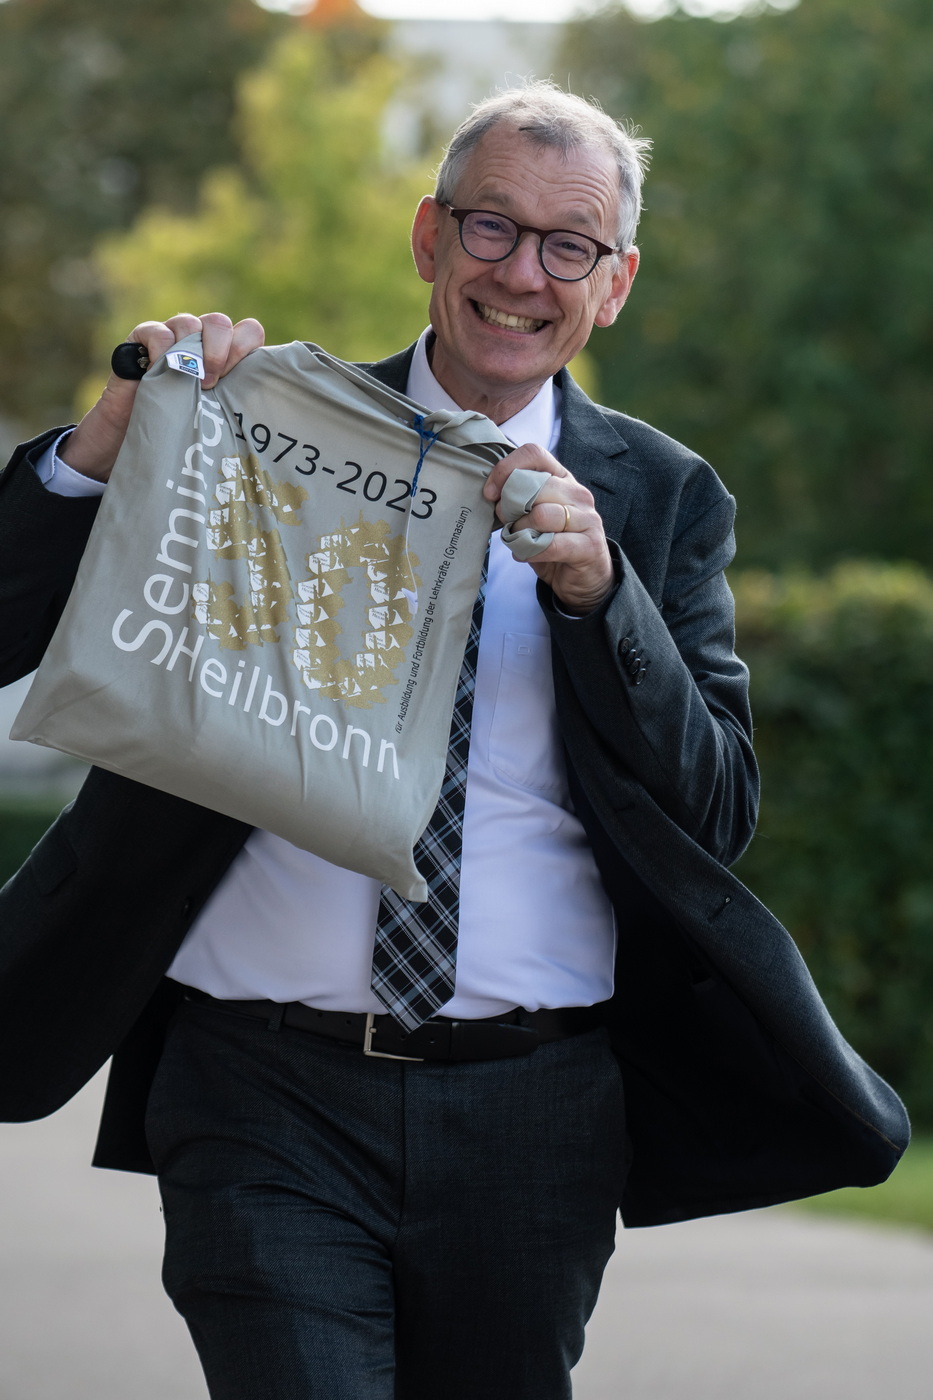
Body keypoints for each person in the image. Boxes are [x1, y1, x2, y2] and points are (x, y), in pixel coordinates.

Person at [0, 84, 908, 1400]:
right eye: (492, 226)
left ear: (615, 284)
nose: (522, 274)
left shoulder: (662, 498)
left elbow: (714, 810)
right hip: (259, 1092)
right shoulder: (265, 422)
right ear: (430, 236)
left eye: (568, 246)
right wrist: (100, 451)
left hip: (536, 1111)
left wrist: (604, 597)